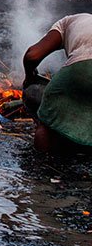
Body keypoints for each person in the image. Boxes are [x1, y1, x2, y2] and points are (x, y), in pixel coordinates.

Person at [23, 13, 92, 152]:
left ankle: (41, 164)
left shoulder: (64, 24)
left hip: (83, 66)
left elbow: (32, 55)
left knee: (46, 124)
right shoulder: (85, 21)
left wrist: (29, 76)